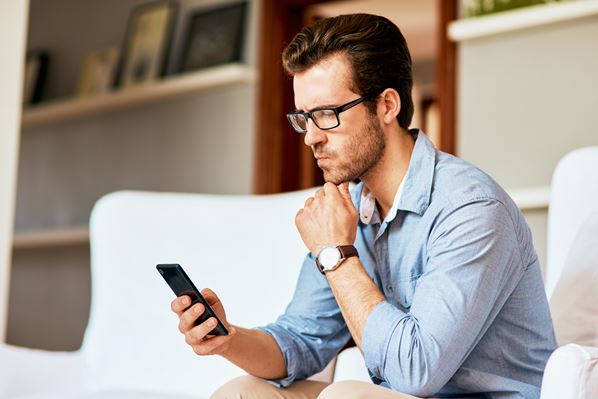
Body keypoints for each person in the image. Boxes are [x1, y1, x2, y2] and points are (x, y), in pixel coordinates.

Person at [169, 13, 557, 399]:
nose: (311, 138)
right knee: (243, 391)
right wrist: (227, 338)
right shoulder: (350, 208)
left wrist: (336, 255)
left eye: (326, 115)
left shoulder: (470, 209)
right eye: (304, 118)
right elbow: (302, 341)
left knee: (346, 396)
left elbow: (415, 372)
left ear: (387, 105)